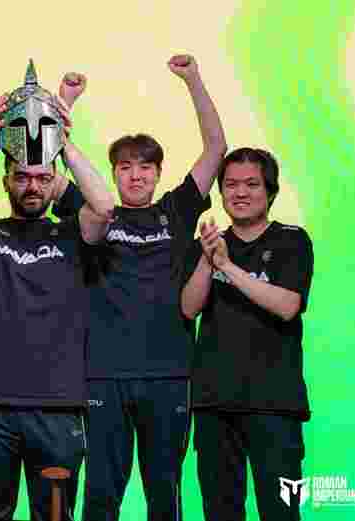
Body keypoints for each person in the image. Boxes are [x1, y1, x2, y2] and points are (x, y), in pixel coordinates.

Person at [53, 55, 227, 520]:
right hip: (103, 375)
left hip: (169, 376)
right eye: (126, 167)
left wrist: (193, 79)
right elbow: (46, 169)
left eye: (146, 167)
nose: (136, 175)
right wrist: (64, 101)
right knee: (101, 493)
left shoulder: (176, 211)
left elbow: (216, 148)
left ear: (158, 172)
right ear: (113, 173)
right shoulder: (93, 213)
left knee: (164, 495)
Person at [0, 61, 115, 521]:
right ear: (6, 181)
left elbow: (104, 207)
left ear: (54, 179)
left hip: (58, 408)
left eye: (42, 177)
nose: (32, 186)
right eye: (21, 176)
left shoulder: (72, 234)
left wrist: (64, 142)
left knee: (55, 516)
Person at [181, 148, 313, 521]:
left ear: (270, 191)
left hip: (275, 404)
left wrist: (227, 266)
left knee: (281, 512)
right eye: (231, 185)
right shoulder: (208, 245)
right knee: (220, 511)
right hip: (213, 403)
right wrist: (207, 259)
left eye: (252, 184)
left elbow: (287, 305)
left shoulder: (291, 240)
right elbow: (189, 308)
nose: (240, 193)